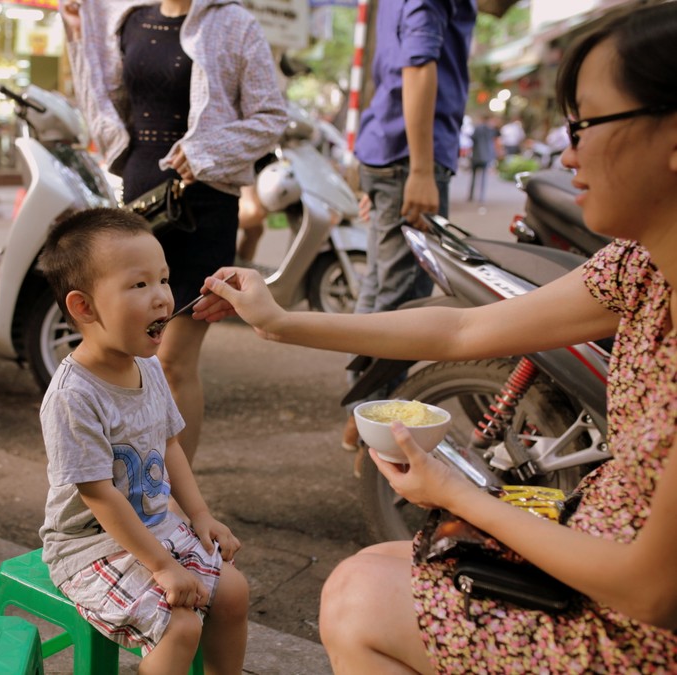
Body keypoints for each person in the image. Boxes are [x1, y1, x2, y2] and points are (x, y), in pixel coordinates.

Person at [191, 2, 677, 670]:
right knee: (372, 567)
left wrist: (459, 493)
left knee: (356, 596)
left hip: (637, 624)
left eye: (585, 123)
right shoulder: (641, 265)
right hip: (599, 559)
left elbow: (651, 591)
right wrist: (280, 321)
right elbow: (463, 325)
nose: (566, 152)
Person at [58, 0, 287, 465]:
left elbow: (271, 116)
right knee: (133, 357)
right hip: (141, 200)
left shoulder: (234, 23)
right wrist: (79, 32)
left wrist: (207, 149)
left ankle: (177, 497)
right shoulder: (130, 19)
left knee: (173, 362)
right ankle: (135, 477)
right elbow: (103, 97)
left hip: (203, 206)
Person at [38, 208, 248, 675]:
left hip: (153, 525)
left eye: (164, 279)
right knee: (181, 625)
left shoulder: (147, 366)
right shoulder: (74, 396)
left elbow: (170, 444)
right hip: (88, 546)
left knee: (233, 592)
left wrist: (200, 516)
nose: (162, 298)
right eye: (139, 285)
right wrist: (163, 567)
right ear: (84, 307)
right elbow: (101, 496)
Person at [341, 0, 478, 453]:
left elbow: (391, 70)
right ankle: (378, 436)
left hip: (387, 150)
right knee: (401, 306)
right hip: (407, 156)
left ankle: (361, 421)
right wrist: (419, 170)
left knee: (379, 293)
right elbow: (418, 67)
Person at [467, 114, 500, 204]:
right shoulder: (490, 129)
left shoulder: (478, 128)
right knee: (483, 177)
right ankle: (481, 196)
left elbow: (472, 138)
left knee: (474, 177)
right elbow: (496, 137)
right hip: (486, 156)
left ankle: (471, 195)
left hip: (476, 155)